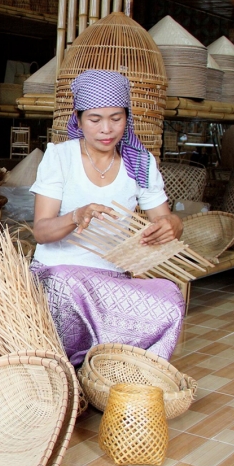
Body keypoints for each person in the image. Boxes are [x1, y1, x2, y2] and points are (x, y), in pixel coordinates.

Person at [30, 70, 184, 366]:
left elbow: (168, 220)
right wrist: (76, 216)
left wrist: (172, 226)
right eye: (95, 119)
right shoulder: (60, 157)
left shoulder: (139, 161)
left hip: (112, 280)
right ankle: (75, 364)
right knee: (66, 284)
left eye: (116, 118)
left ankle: (121, 369)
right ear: (78, 118)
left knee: (169, 300)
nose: (106, 129)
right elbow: (41, 231)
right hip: (59, 276)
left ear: (128, 118)